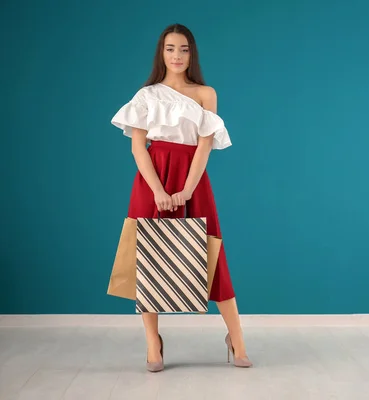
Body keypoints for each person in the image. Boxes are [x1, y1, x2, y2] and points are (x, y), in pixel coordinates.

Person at [110, 23, 252, 370]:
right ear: (162, 52)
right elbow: (137, 148)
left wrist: (186, 190)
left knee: (212, 256)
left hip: (193, 179)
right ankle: (153, 344)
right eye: (171, 48)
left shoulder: (206, 93)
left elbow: (205, 145)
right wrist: (158, 190)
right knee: (149, 258)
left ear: (192, 53)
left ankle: (237, 341)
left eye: (184, 49)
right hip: (151, 179)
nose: (177, 55)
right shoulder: (147, 95)